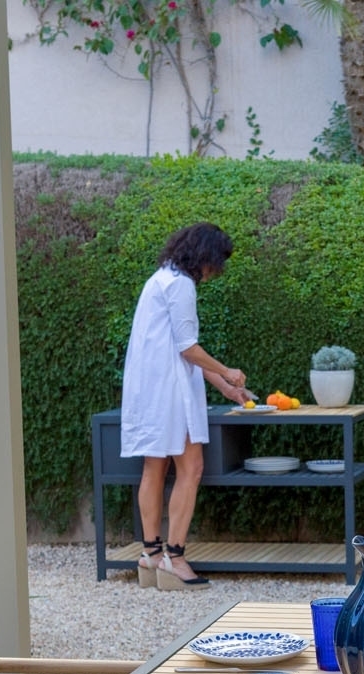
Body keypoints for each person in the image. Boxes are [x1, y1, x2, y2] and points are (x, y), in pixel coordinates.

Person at [120, 222, 253, 590]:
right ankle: (175, 559)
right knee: (191, 468)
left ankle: (150, 555)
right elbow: (188, 349)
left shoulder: (160, 279)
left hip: (150, 389)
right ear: (205, 257)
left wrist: (225, 387)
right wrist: (228, 371)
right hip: (170, 392)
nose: (215, 272)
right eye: (217, 262)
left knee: (154, 466)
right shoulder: (181, 285)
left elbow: (180, 348)